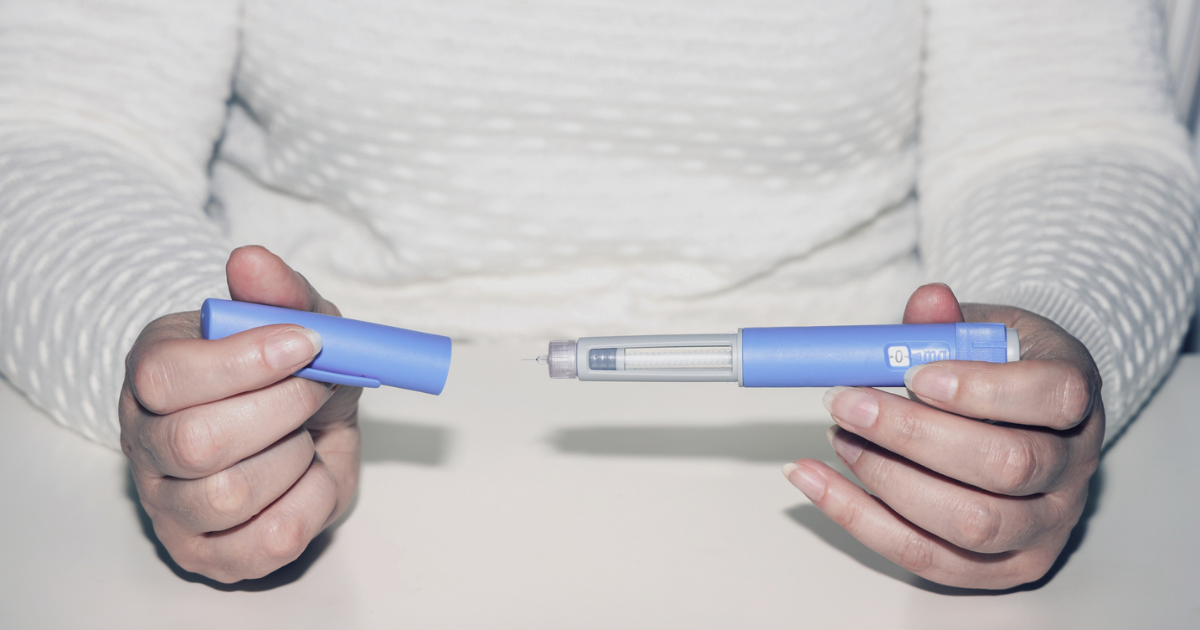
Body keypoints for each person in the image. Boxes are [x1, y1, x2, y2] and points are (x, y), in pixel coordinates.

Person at [0, 0, 1195, 589]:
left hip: (860, 470)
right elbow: (57, 129)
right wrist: (176, 367)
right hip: (338, 462)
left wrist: (1031, 374)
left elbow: (1073, 129)